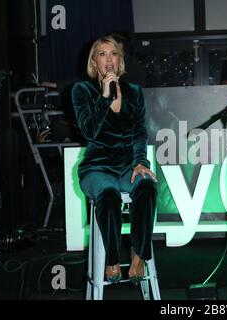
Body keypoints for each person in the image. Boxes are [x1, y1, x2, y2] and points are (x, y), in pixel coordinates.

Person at [71, 36, 157, 283]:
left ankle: (139, 254)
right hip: (97, 166)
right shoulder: (82, 91)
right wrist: (105, 97)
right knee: (108, 194)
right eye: (102, 54)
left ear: (120, 61)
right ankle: (111, 259)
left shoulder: (134, 92)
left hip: (128, 165)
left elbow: (140, 132)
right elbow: (88, 131)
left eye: (114, 54)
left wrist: (142, 162)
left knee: (147, 187)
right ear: (94, 63)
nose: (108, 59)